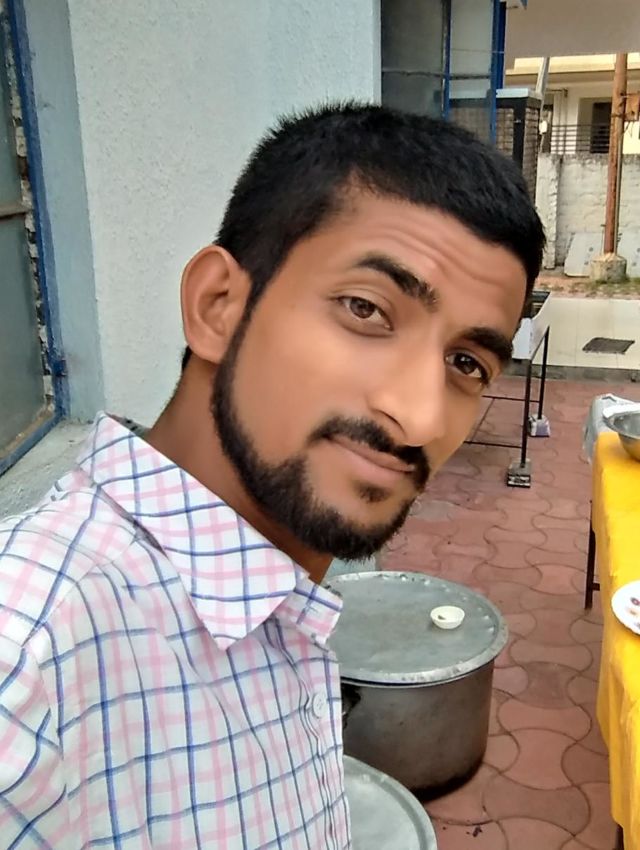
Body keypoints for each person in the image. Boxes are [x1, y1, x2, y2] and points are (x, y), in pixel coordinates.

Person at [0, 103, 544, 849]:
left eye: (465, 364)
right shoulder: (26, 664)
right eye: (366, 309)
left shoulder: (275, 599)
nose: (419, 416)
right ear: (217, 307)